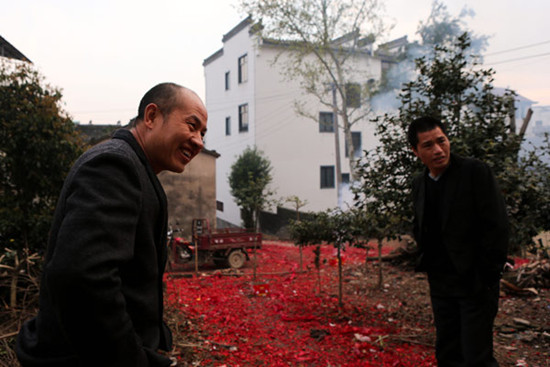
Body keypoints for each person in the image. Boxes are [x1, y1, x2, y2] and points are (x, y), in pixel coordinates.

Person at [16, 82, 208, 367]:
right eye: (192, 126)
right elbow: (83, 277)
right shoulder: (114, 165)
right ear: (152, 116)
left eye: (203, 133)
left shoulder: (136, 168)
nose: (199, 141)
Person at [408, 116, 509, 367]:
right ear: (415, 151)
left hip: (475, 282)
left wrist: (487, 275)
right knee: (448, 353)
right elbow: (420, 225)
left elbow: (497, 226)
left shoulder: (475, 172)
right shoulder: (420, 183)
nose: (438, 150)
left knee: (477, 356)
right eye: (428, 145)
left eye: (441, 141)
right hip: (441, 282)